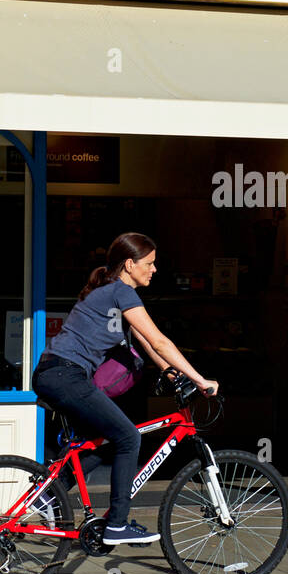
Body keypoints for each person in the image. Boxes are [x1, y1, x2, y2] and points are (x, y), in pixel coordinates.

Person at [32, 232, 218, 545]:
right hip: (67, 375)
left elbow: (146, 342)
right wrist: (200, 380)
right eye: (150, 263)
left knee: (100, 441)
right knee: (129, 437)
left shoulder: (108, 292)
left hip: (55, 373)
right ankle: (117, 524)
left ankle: (49, 493)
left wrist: (172, 373)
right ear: (130, 264)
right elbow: (159, 339)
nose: (155, 270)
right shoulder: (119, 292)